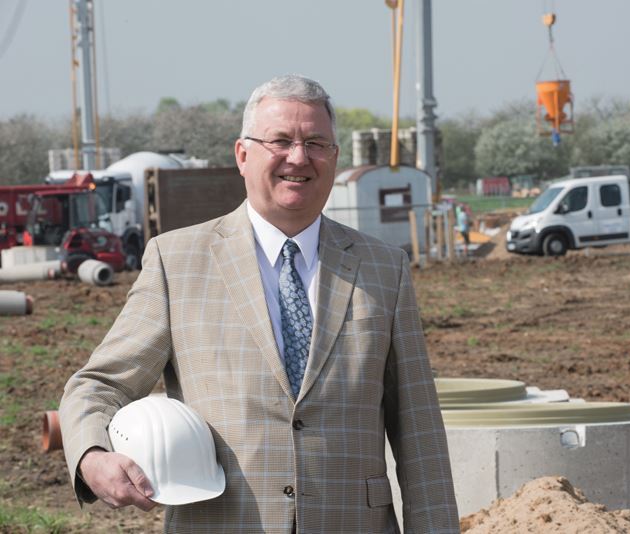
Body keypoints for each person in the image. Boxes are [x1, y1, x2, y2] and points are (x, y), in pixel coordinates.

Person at [59, 74, 459, 533]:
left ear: (334, 157)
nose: (298, 157)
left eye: (316, 143)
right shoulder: (178, 261)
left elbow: (419, 434)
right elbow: (99, 385)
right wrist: (92, 457)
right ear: (243, 155)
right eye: (281, 141)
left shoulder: (384, 268)